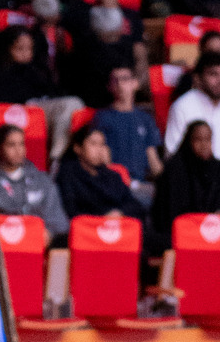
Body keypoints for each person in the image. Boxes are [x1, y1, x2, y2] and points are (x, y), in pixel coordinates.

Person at [0, 25, 85, 162]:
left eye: (29, 48)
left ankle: (56, 159)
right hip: (16, 112)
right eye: (20, 48)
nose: (26, 53)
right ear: (7, 48)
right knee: (71, 104)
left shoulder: (36, 69)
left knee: (74, 105)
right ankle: (56, 159)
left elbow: (52, 92)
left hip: (39, 111)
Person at [0, 124, 70, 246]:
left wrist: (50, 233)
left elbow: (58, 221)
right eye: (11, 145)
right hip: (3, 245)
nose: (18, 150)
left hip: (39, 245)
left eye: (21, 144)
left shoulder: (42, 180)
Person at [92, 66, 162, 206]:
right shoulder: (102, 117)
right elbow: (101, 157)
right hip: (115, 183)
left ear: (135, 83)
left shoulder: (145, 119)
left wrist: (166, 183)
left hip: (141, 184)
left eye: (124, 79)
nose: (120, 84)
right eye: (115, 80)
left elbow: (152, 157)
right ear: (109, 87)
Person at [55, 124, 144, 218]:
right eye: (93, 144)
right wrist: (104, 217)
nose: (99, 150)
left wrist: (119, 213)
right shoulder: (67, 174)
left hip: (117, 226)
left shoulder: (112, 176)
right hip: (88, 228)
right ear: (78, 148)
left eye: (102, 144)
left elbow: (133, 204)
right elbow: (70, 210)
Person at [152, 120, 220, 240]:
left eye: (208, 139)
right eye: (198, 140)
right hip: (180, 233)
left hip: (212, 232)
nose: (204, 145)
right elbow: (169, 212)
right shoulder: (175, 169)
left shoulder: (216, 168)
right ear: (189, 141)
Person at [165, 51, 220, 158]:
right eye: (213, 74)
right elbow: (172, 153)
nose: (219, 80)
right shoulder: (183, 106)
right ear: (197, 78)